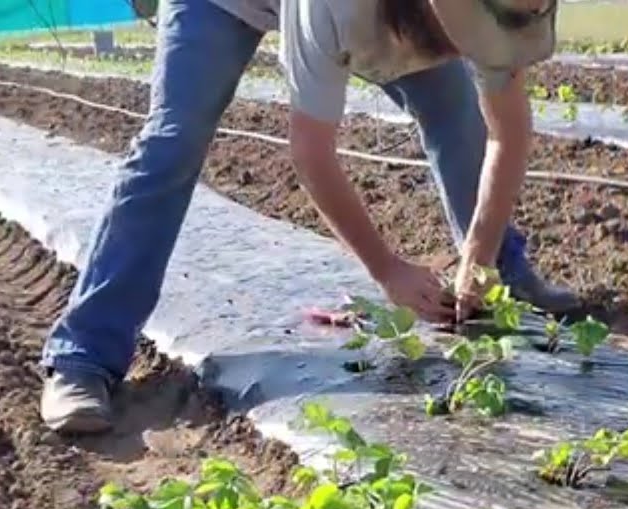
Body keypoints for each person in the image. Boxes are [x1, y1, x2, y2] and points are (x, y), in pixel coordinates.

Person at [40, 0, 578, 433]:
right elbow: (311, 153)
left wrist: (478, 260)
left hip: (401, 15)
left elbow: (505, 133)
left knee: (457, 118)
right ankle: (82, 356)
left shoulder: (488, 11)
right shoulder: (334, 8)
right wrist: (387, 269)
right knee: (173, 143)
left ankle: (501, 279)